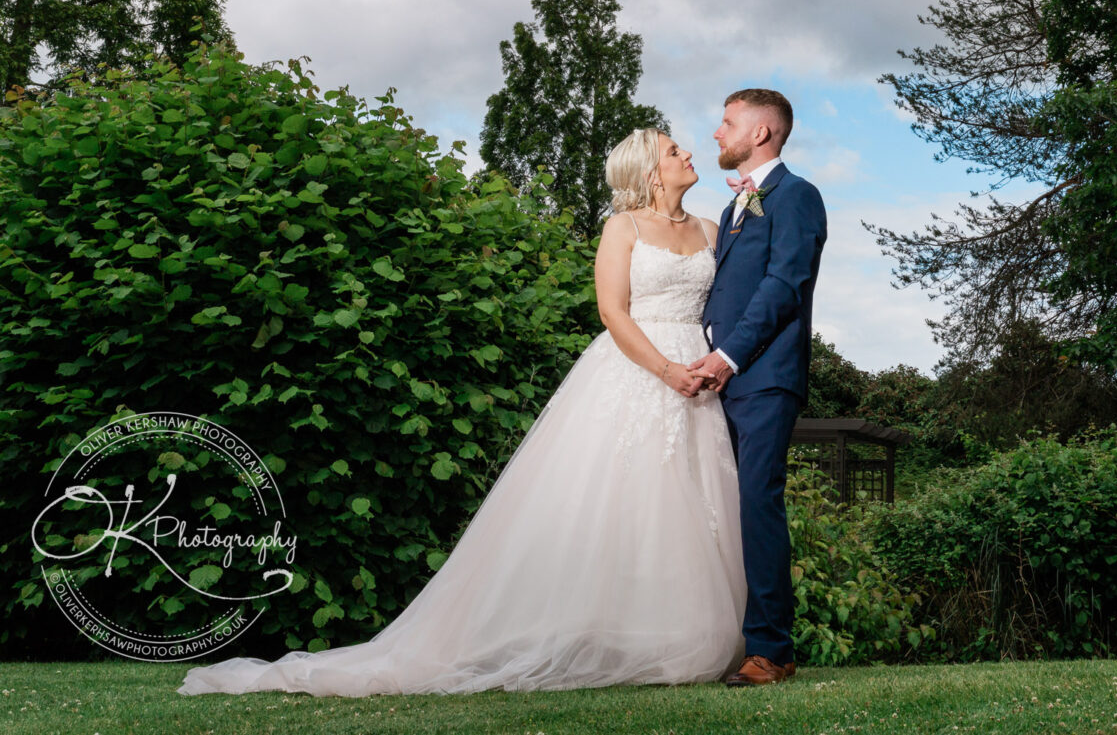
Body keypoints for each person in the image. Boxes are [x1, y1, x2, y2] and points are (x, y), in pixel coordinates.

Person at [178, 129, 746, 696]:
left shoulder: (711, 229)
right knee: (615, 503)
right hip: (638, 371)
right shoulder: (621, 227)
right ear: (649, 170)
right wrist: (668, 371)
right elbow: (612, 311)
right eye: (674, 151)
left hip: (701, 375)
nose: (688, 153)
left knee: (689, 505)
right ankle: (587, 635)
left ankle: (676, 637)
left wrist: (705, 363)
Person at [689, 89, 826, 687]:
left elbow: (784, 284)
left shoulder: (797, 196)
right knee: (723, 507)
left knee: (757, 504)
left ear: (762, 133)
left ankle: (771, 649)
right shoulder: (735, 208)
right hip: (725, 380)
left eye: (727, 123)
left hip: (764, 376)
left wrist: (727, 356)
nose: (717, 134)